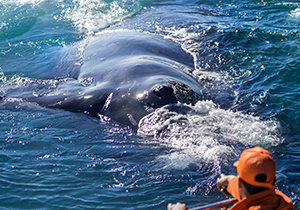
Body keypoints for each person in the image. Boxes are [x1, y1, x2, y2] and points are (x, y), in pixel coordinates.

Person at [167, 146, 294, 210]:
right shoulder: (282, 202)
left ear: (240, 184)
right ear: (273, 180)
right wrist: (230, 182)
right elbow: (261, 195)